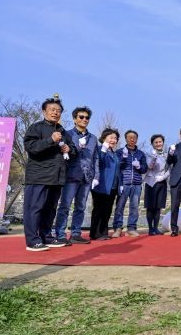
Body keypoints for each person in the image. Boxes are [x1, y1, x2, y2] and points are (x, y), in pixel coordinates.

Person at [22, 95, 77, 251]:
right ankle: (32, 241)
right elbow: (31, 147)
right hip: (38, 177)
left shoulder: (63, 131)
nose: (55, 113)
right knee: (34, 208)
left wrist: (69, 149)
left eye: (58, 110)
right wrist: (50, 140)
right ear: (44, 111)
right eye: (52, 110)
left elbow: (73, 151)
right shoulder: (36, 128)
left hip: (57, 177)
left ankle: (46, 236)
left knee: (50, 209)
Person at [53, 106, 98, 245]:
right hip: (71, 176)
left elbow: (96, 158)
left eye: (87, 117)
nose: (84, 119)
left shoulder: (93, 138)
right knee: (65, 206)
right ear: (74, 119)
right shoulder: (67, 134)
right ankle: (60, 234)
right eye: (81, 117)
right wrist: (78, 147)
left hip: (87, 177)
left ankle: (76, 234)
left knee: (81, 207)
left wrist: (96, 176)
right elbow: (62, 153)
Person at [112, 130, 147, 237]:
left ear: (137, 139)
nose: (132, 139)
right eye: (130, 137)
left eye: (134, 138)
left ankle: (131, 228)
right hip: (123, 183)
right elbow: (116, 166)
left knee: (134, 207)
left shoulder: (140, 154)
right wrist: (123, 158)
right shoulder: (119, 152)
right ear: (126, 139)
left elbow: (144, 169)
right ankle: (118, 228)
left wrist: (139, 166)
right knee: (120, 206)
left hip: (136, 184)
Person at [90, 128, 121, 241]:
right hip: (101, 185)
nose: (114, 140)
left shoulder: (114, 153)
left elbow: (117, 170)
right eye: (111, 137)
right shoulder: (99, 149)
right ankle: (95, 233)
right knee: (98, 209)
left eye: (115, 138)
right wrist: (103, 150)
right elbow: (98, 163)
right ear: (104, 138)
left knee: (107, 210)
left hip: (112, 186)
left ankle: (103, 232)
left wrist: (120, 184)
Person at [144, 134, 170, 235]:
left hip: (162, 182)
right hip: (151, 182)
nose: (158, 144)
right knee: (150, 207)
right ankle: (150, 228)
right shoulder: (148, 154)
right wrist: (154, 157)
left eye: (160, 142)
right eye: (156, 142)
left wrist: (163, 177)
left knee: (158, 207)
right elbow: (150, 166)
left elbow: (170, 169)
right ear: (152, 144)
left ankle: (156, 228)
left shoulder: (167, 155)